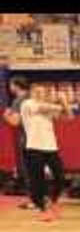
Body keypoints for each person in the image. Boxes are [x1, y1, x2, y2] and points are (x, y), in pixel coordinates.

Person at [20, 82, 72, 222]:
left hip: (51, 147)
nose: (40, 94)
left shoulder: (48, 107)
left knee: (60, 178)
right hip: (34, 147)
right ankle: (42, 209)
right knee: (37, 180)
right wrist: (62, 103)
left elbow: (69, 117)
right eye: (37, 92)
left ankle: (53, 202)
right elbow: (43, 107)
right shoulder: (27, 104)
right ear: (31, 93)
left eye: (42, 92)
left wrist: (64, 102)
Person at [2, 75, 32, 206]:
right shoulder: (32, 98)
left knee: (28, 169)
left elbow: (15, 122)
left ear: (16, 85)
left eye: (11, 84)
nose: (10, 87)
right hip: (38, 137)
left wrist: (5, 115)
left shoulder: (18, 101)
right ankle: (40, 197)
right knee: (36, 168)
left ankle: (33, 199)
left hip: (26, 138)